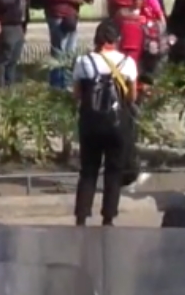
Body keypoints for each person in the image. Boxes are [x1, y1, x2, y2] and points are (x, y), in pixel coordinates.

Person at [72, 20, 138, 227]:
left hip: (90, 124)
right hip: (118, 124)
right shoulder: (127, 62)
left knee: (88, 170)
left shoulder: (83, 62)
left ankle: (81, 216)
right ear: (116, 39)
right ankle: (108, 217)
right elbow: (132, 97)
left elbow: (77, 94)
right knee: (114, 170)